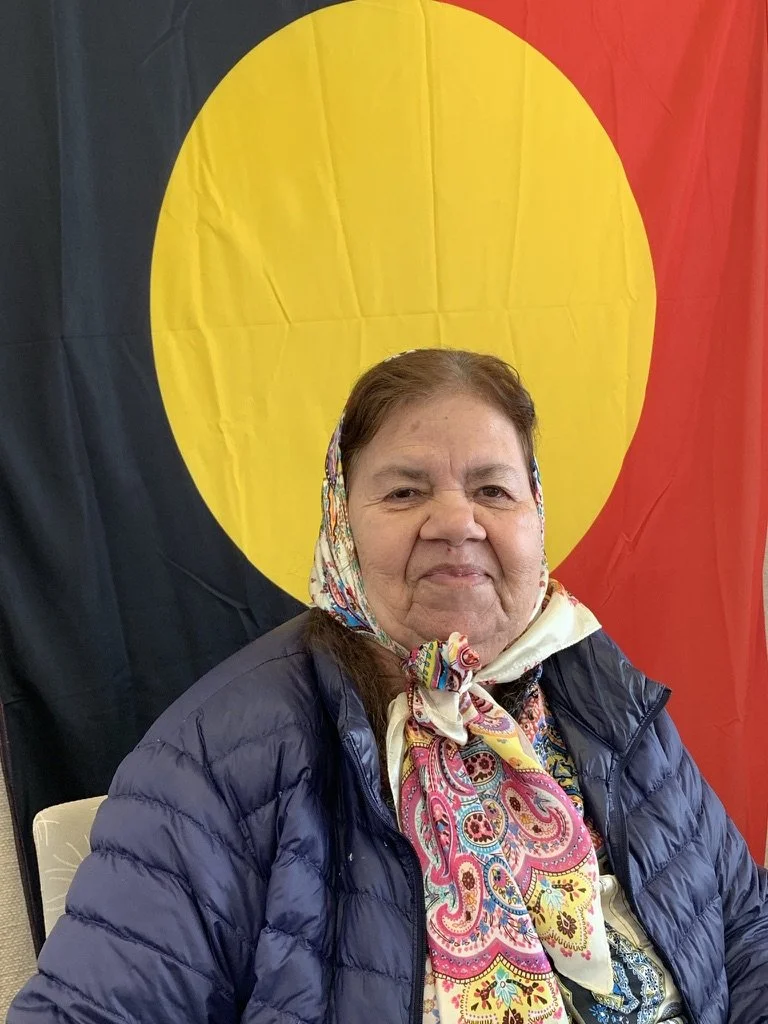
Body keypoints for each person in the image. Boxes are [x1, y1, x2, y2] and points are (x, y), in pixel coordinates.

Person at [9, 349, 768, 1024]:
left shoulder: (600, 692)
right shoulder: (222, 752)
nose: (455, 521)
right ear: (343, 522)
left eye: (494, 491)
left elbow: (744, 927)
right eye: (404, 493)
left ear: (537, 515)